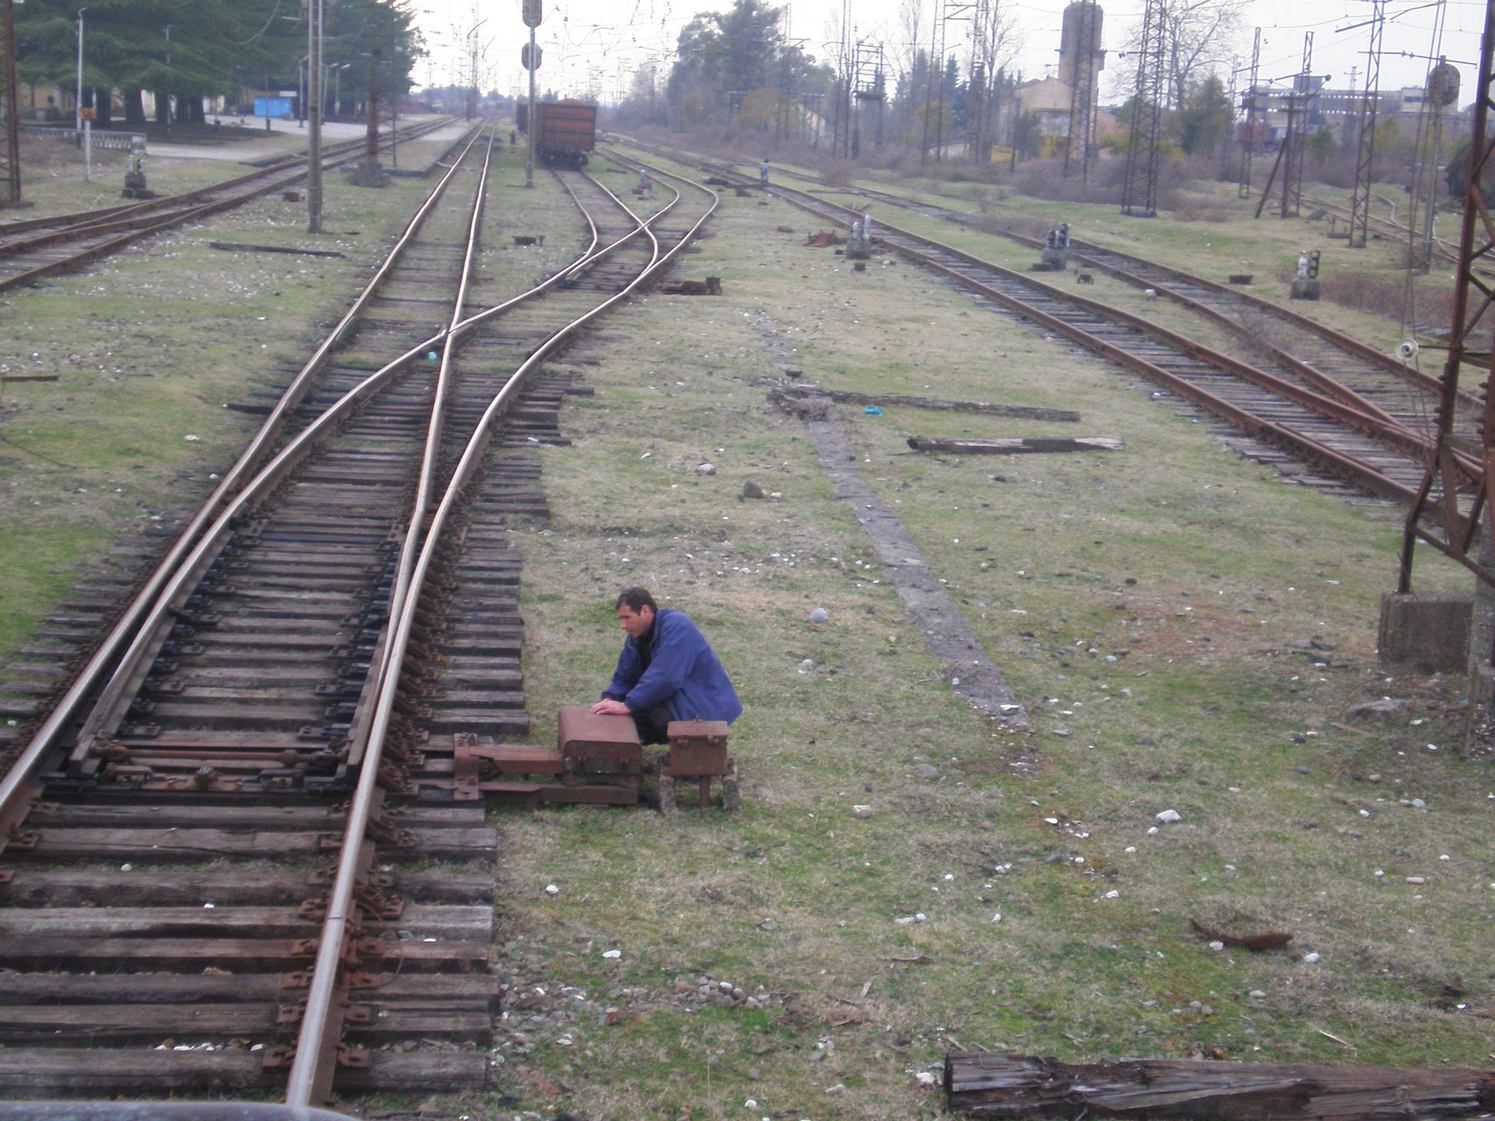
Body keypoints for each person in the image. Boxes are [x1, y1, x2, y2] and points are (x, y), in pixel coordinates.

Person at [591, 587, 742, 744]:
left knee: (658, 719)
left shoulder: (677, 625)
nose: (623, 625)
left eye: (627, 618)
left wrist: (628, 705)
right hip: (674, 697)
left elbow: (666, 676)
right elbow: (624, 676)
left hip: (701, 704)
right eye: (620, 619)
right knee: (624, 717)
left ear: (644, 610)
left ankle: (696, 745)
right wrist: (609, 700)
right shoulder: (636, 637)